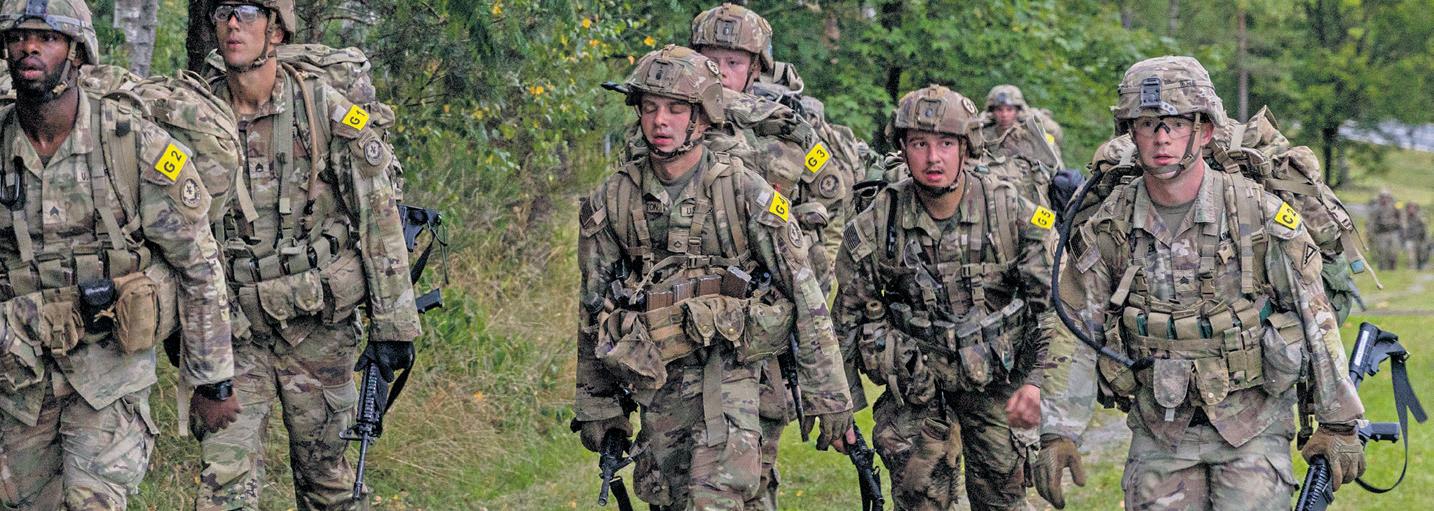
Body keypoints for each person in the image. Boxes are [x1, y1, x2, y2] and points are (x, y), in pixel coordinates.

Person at [1037, 56, 1365, 510]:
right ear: (1131, 133)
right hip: (1159, 428)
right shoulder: (1110, 225)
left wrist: (1339, 423)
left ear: (1205, 130)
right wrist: (1058, 432)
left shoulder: (1258, 213)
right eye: (1147, 124)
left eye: (1175, 123)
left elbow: (1315, 314)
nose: (1161, 138)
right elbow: (1076, 327)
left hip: (1253, 423)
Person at [573, 45, 854, 510]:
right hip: (657, 382)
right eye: (650, 107)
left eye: (676, 109)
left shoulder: (746, 192)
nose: (660, 121)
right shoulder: (613, 199)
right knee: (668, 498)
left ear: (702, 117)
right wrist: (598, 405)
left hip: (736, 376)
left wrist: (829, 396)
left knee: (717, 497)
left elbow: (805, 295)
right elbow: (593, 307)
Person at [0, 0, 239, 508]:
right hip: (20, 379)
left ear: (77, 52)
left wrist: (212, 380)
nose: (29, 48)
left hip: (110, 371)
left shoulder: (132, 144)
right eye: (18, 36)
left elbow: (198, 263)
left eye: (47, 37)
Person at [197, 1, 420, 509]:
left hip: (318, 327)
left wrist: (394, 327)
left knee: (328, 482)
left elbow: (378, 215)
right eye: (224, 11)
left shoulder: (323, 108)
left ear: (276, 31)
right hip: (235, 331)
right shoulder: (198, 115)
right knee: (224, 486)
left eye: (249, 12)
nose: (233, 24)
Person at [835, 84, 1055, 510]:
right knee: (919, 493)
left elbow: (1054, 310)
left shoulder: (1010, 210)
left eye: (946, 144)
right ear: (902, 148)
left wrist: (1036, 383)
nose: (933, 158)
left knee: (1004, 497)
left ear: (966, 147)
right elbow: (846, 316)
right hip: (917, 387)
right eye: (920, 144)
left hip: (997, 383)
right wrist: (838, 409)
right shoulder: (878, 221)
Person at [1369, 190, 1403, 271]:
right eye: (1383, 197)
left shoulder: (1395, 207)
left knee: (1393, 251)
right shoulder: (1376, 209)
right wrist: (1371, 233)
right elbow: (1372, 222)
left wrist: (1400, 226)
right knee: (1382, 251)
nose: (1385, 199)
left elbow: (1401, 217)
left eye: (1386, 197)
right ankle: (1382, 267)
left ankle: (1392, 267)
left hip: (1393, 232)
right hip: (1381, 233)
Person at [1404, 202, 1428, 270]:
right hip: (1410, 238)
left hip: (1419, 238)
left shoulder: (1420, 217)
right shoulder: (1405, 217)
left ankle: (1419, 266)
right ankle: (1411, 266)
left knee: (1420, 253)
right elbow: (1404, 227)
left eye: (1413, 208)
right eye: (1410, 208)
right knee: (1410, 254)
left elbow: (1424, 228)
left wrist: (1423, 237)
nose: (1411, 209)